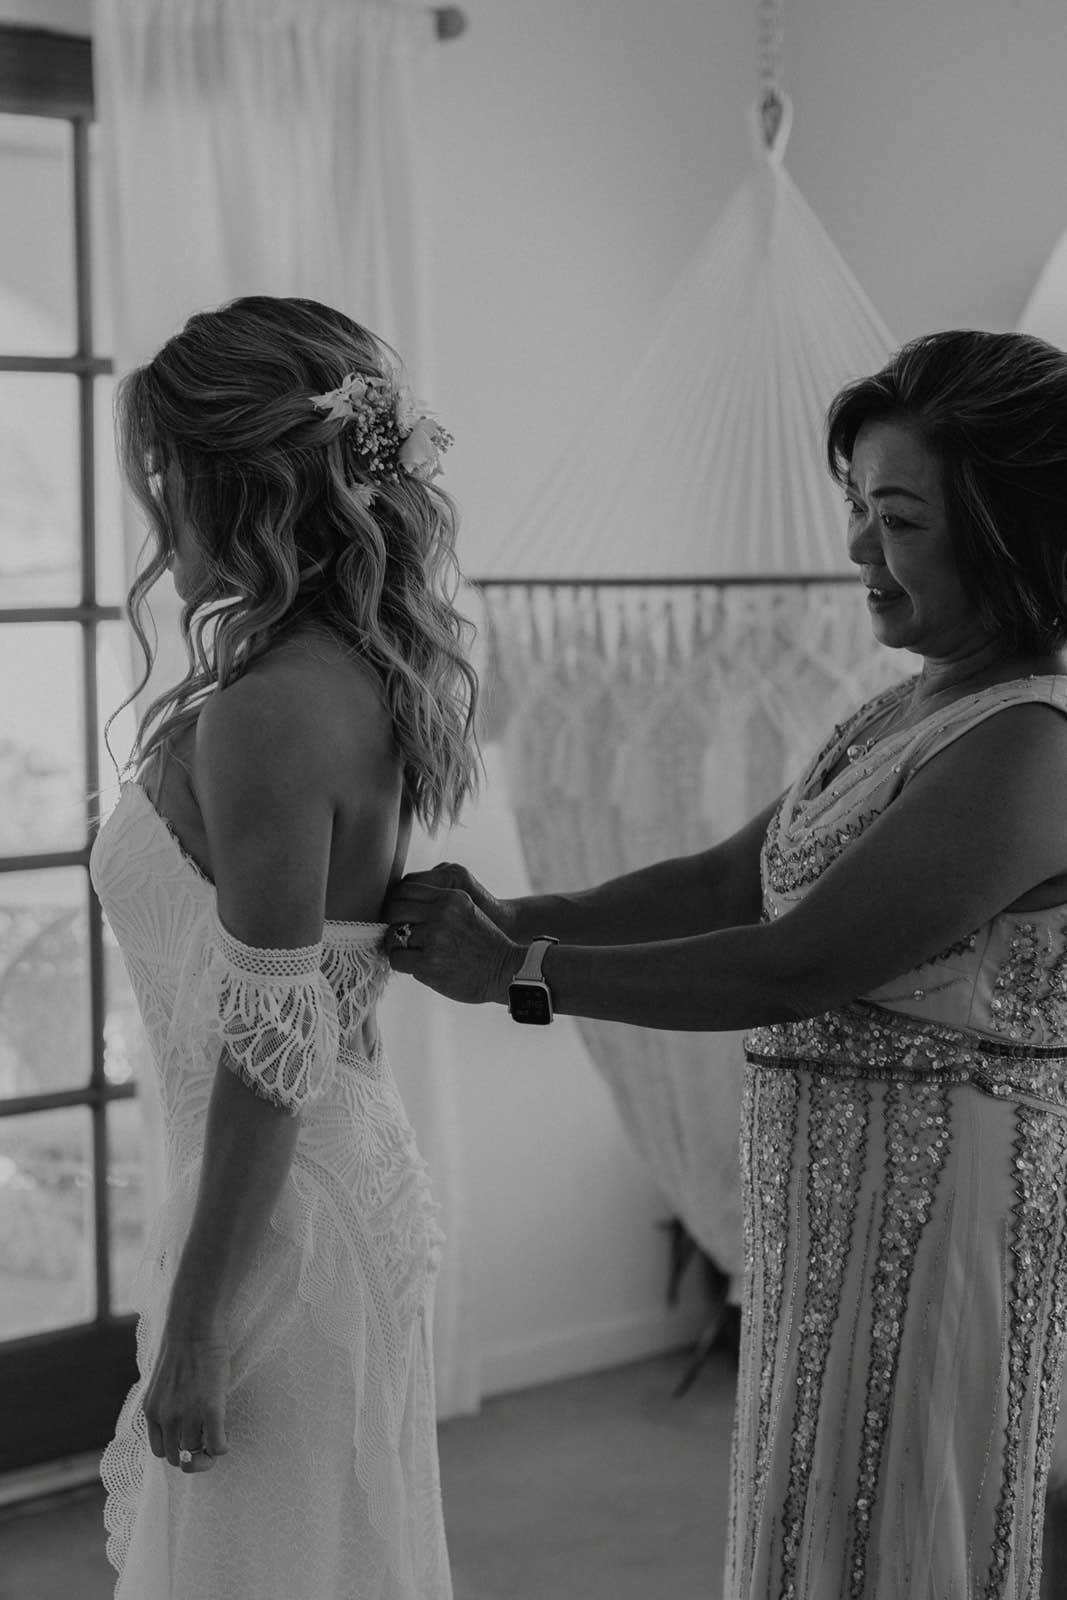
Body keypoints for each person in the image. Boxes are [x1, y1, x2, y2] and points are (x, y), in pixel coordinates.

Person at [382, 328, 1067, 1597]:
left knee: (900, 1518)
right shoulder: (904, 706)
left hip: (939, 1220)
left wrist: (518, 969)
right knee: (812, 1509)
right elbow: (720, 879)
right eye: (856, 507)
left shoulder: (1030, 739)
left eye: (898, 517)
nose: (858, 547)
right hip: (827, 1203)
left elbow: (785, 964)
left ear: (1012, 529)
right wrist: (506, 905)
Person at [90, 294, 480, 1600]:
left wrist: (193, 1330)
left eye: (163, 473)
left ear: (230, 482)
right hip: (316, 1184)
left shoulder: (265, 713)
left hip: (276, 1218)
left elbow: (272, 1046)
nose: (155, 511)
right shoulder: (369, 673)